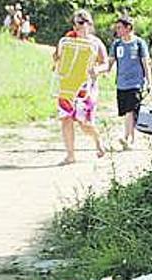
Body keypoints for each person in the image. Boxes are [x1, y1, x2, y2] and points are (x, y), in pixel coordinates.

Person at [52, 9, 108, 165]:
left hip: (86, 88)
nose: (81, 26)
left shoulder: (95, 43)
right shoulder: (67, 40)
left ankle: (97, 139)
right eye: (78, 22)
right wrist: (57, 59)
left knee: (84, 123)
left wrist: (96, 69)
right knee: (66, 119)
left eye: (85, 22)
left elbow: (105, 64)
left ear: (90, 24)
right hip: (67, 86)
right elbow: (57, 57)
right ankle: (70, 155)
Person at [101, 14, 150, 150]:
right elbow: (109, 63)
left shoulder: (139, 43)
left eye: (120, 27)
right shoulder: (116, 44)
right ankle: (132, 140)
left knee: (130, 110)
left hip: (136, 83)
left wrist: (149, 81)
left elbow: (146, 63)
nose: (117, 30)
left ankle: (127, 137)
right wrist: (101, 72)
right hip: (121, 84)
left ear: (128, 28)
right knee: (127, 112)